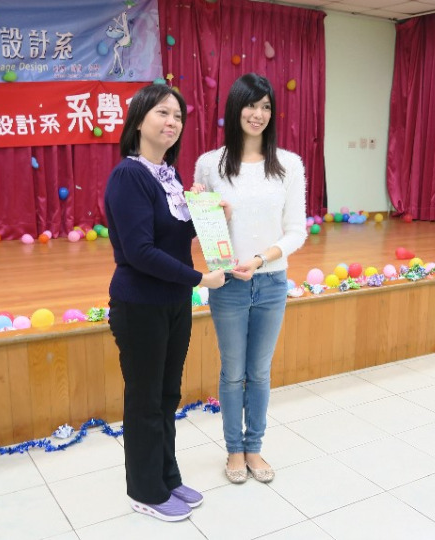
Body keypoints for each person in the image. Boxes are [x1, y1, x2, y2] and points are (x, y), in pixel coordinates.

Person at [104, 84, 225, 521]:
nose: (172, 122)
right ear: (139, 120)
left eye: (178, 116)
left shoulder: (168, 175)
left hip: (173, 302)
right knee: (145, 399)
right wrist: (199, 279)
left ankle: (167, 478)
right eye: (162, 113)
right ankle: (145, 490)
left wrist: (210, 216)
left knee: (167, 394)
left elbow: (171, 236)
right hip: (140, 305)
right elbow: (139, 252)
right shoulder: (129, 175)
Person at [193, 73, 307, 484]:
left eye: (266, 107)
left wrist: (260, 260)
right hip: (228, 284)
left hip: (271, 282)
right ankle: (234, 451)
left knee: (259, 372)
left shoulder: (289, 165)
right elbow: (204, 230)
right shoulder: (210, 164)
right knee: (232, 372)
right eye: (251, 105)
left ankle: (254, 447)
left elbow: (297, 231)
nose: (258, 114)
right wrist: (208, 214)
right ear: (235, 108)